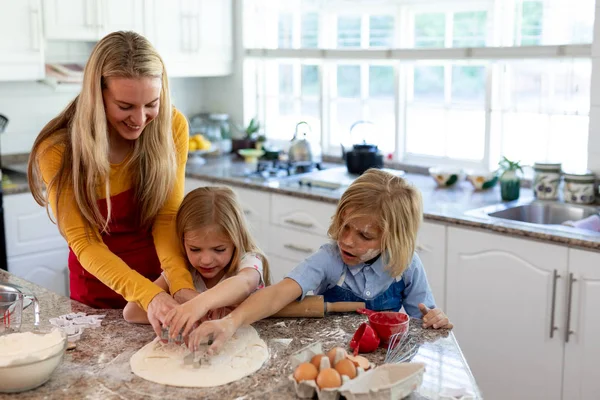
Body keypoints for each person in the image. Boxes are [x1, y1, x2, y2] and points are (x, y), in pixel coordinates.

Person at [27, 31, 197, 336]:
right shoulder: (59, 150)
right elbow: (84, 242)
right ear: (97, 94)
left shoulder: (172, 125)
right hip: (97, 291)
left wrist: (180, 284)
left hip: (161, 278)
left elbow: (167, 217)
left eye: (151, 104)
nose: (140, 118)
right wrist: (148, 296)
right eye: (125, 106)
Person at [185, 169, 453, 353]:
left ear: (395, 238)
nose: (347, 240)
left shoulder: (407, 266)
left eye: (365, 235)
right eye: (345, 226)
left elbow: (422, 323)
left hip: (384, 363)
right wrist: (230, 322)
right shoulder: (330, 259)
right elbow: (277, 294)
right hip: (330, 356)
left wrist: (435, 319)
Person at [123, 186, 270, 340]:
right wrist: (182, 314)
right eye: (195, 249)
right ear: (182, 241)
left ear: (236, 241)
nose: (206, 260)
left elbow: (245, 282)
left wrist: (200, 305)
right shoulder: (180, 270)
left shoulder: (248, 261)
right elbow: (131, 312)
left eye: (219, 249)